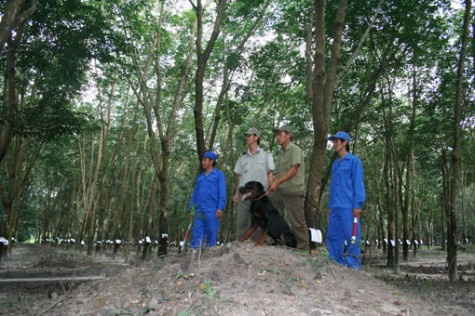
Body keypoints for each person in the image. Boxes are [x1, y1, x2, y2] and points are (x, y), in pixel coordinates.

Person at [326, 131, 365, 270]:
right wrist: (330, 206)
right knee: (333, 234)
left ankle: (353, 263)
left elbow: (358, 183)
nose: (335, 144)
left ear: (345, 143)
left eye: (337, 141)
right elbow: (333, 185)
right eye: (334, 141)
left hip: (349, 206)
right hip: (335, 205)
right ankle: (335, 259)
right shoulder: (335, 163)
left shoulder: (354, 161)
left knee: (352, 235)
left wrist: (357, 205)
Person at [268, 125, 309, 251]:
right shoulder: (281, 153)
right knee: (268, 208)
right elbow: (279, 173)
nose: (278, 137)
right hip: (281, 191)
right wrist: (271, 186)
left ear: (289, 135)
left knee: (298, 222)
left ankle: (303, 249)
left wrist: (277, 182)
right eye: (277, 134)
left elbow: (293, 170)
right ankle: (273, 240)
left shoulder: (295, 150)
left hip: (294, 192)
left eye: (281, 134)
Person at [233, 128, 275, 239]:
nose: (247, 137)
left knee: (260, 220)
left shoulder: (266, 155)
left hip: (260, 195)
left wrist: (270, 190)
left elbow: (270, 173)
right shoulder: (242, 157)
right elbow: (240, 176)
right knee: (242, 219)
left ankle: (257, 248)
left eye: (249, 135)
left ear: (256, 137)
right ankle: (240, 244)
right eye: (246, 135)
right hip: (244, 193)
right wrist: (237, 193)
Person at [189, 151, 226, 249]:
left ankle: (210, 257)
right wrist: (192, 206)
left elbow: (222, 192)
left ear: (211, 161)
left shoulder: (218, 175)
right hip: (199, 209)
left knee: (211, 233)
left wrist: (220, 208)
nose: (202, 162)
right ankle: (194, 254)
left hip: (212, 210)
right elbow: (195, 193)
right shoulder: (200, 176)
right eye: (202, 159)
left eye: (205, 159)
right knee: (197, 232)